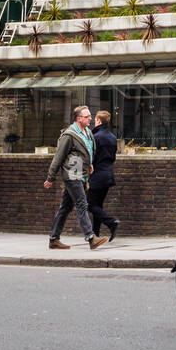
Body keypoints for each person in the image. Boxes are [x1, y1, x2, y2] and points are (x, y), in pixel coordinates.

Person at [44, 105, 108, 250]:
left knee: (65, 207)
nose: (90, 119)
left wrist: (89, 164)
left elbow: (87, 151)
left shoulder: (88, 133)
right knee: (81, 203)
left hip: (82, 173)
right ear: (79, 119)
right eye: (87, 117)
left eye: (90, 116)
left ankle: (54, 238)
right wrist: (50, 177)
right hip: (72, 174)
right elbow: (58, 157)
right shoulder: (69, 135)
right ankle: (91, 237)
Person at [87, 110, 120, 242]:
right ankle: (95, 235)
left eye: (95, 120)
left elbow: (91, 157)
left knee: (89, 204)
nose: (94, 122)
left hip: (97, 175)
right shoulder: (112, 137)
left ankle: (111, 222)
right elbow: (113, 157)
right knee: (97, 205)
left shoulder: (95, 137)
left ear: (99, 121)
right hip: (108, 175)